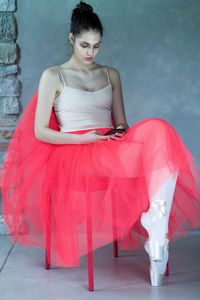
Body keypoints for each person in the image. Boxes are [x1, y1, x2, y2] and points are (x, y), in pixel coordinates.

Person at [1, 0, 200, 288]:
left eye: (96, 46)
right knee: (156, 149)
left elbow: (122, 122)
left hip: (109, 144)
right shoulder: (53, 75)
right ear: (72, 39)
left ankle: (156, 223)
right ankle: (156, 229)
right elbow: (41, 132)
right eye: (85, 45)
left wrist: (118, 132)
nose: (91, 52)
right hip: (76, 148)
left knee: (160, 130)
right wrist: (83, 138)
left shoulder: (110, 74)